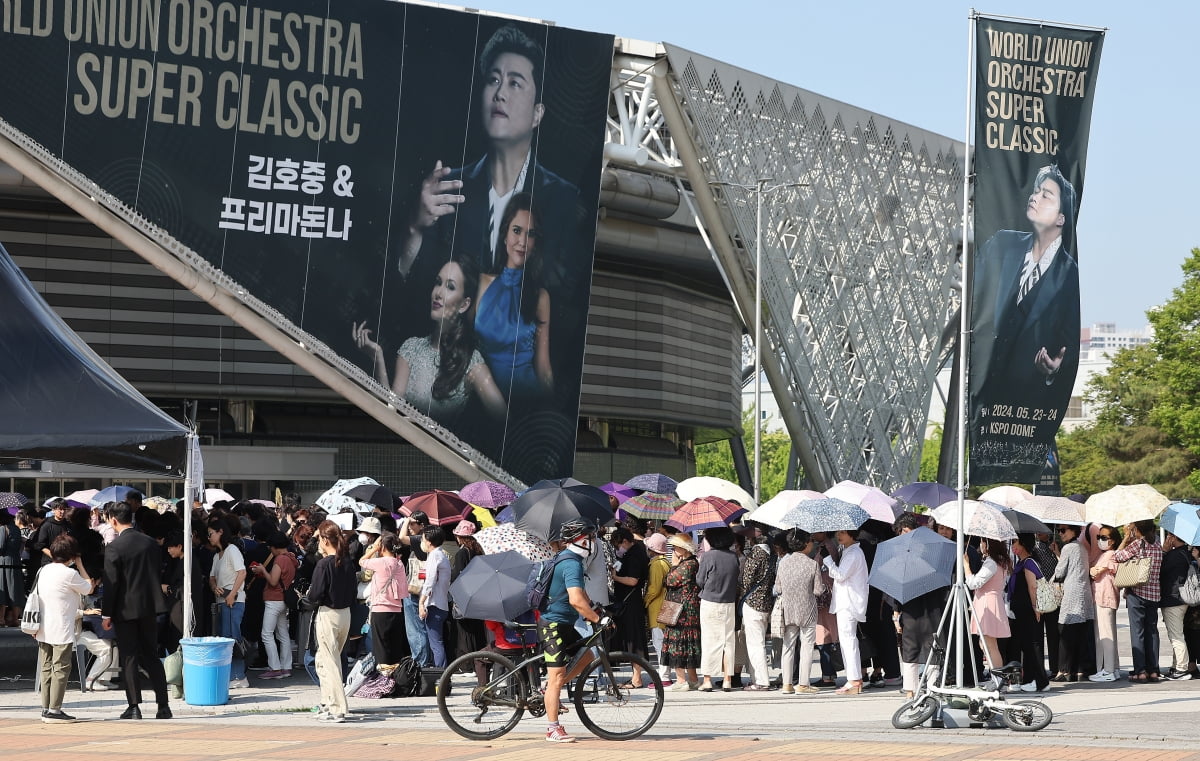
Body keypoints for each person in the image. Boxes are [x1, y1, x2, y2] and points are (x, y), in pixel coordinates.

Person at [397, 24, 581, 315]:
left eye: (515, 83)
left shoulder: (564, 200)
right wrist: (414, 227)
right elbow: (411, 292)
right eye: (493, 80)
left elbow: (566, 305)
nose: (500, 94)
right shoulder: (447, 189)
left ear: (537, 114)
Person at [970, 164, 1081, 482]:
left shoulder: (1068, 273)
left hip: (1022, 406)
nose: (1035, 197)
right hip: (985, 395)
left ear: (1061, 218)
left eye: (1047, 195)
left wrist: (1055, 368)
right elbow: (975, 295)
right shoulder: (1002, 244)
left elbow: (1069, 345)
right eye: (1036, 190)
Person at [354, 254, 506, 427]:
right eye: (438, 282)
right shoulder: (411, 349)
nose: (438, 293)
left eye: (450, 286)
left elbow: (504, 423)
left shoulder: (471, 362)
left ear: (464, 305)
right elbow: (391, 412)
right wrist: (377, 359)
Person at [475, 192, 553, 402]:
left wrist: (550, 415)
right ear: (504, 235)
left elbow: (543, 368)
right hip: (485, 399)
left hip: (527, 400)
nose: (522, 241)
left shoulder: (540, 297)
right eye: (517, 230)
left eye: (531, 234)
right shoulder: (481, 284)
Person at [101, 500, 171, 720]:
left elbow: (111, 583)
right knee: (151, 654)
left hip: (124, 609)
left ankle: (134, 706)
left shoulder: (114, 547)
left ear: (113, 520)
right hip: (149, 606)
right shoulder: (150, 543)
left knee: (129, 656)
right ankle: (163, 705)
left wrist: (106, 613)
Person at [538, 519, 606, 744]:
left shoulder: (570, 559)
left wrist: (595, 609)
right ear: (582, 540)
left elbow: (580, 594)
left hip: (563, 623)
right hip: (553, 625)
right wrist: (597, 619)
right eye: (592, 538)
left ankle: (549, 688)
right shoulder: (571, 563)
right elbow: (576, 600)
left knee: (586, 656)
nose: (594, 543)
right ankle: (552, 729)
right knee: (557, 677)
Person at [35, 534, 93, 723]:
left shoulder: (44, 570)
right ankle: (55, 710)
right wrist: (80, 563)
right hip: (61, 628)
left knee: (46, 667)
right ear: (71, 555)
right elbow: (88, 588)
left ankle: (46, 708)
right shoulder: (70, 574)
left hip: (43, 627)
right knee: (61, 668)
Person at [308, 520, 357, 723]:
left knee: (329, 662)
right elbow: (354, 591)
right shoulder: (347, 561)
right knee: (324, 659)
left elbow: (315, 594)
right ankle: (327, 702)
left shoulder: (324, 564)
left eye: (319, 538)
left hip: (328, 613)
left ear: (325, 539)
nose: (318, 542)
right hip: (345, 613)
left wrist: (307, 596)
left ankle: (338, 708)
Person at [774, 529, 825, 695]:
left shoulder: (783, 563)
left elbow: (778, 587)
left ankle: (787, 684)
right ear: (804, 544)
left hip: (788, 609)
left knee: (788, 646)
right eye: (809, 541)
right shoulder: (812, 564)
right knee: (807, 646)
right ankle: (803, 684)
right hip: (807, 610)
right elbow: (818, 591)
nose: (811, 543)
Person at [1113, 519, 1163, 682]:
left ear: (1138, 530)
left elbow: (1117, 556)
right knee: (1152, 632)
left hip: (1138, 593)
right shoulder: (1157, 544)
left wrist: (1126, 538)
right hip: (1154, 594)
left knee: (1138, 632)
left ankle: (1140, 671)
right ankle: (1154, 670)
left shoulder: (1138, 544)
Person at [822, 529, 868, 694]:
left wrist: (827, 559)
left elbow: (840, 575)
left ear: (852, 534)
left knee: (848, 640)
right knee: (848, 640)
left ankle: (854, 680)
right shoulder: (849, 551)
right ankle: (854, 679)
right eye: (838, 532)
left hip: (849, 603)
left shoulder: (854, 554)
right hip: (847, 601)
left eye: (843, 532)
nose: (838, 535)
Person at [696, 526, 740, 692]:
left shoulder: (708, 556)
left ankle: (707, 680)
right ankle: (727, 679)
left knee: (709, 641)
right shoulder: (733, 557)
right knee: (728, 641)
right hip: (729, 603)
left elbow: (700, 580)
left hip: (710, 602)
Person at [207, 516, 249, 690]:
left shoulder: (232, 550)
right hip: (223, 601)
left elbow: (242, 572)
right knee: (226, 638)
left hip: (233, 601)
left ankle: (240, 676)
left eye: (211, 533)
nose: (209, 537)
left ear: (220, 532)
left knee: (233, 638)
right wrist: (215, 586)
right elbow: (211, 577)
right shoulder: (218, 555)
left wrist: (232, 594)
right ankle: (233, 675)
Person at [252, 531, 298, 680]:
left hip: (274, 599)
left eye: (271, 547)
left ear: (275, 547)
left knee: (266, 634)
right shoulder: (291, 558)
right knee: (283, 634)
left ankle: (275, 667)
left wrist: (263, 570)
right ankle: (286, 667)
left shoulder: (280, 559)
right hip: (284, 600)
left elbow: (272, 581)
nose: (270, 551)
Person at [609, 526, 650, 686]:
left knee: (634, 638)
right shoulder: (631, 553)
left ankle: (637, 678)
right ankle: (635, 676)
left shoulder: (635, 555)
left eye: (618, 544)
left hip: (631, 602)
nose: (617, 548)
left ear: (625, 541)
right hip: (629, 601)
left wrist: (615, 577)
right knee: (630, 638)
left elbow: (633, 580)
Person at [739, 525, 778, 691]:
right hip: (766, 602)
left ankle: (761, 681)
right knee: (759, 642)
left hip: (753, 602)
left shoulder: (755, 554)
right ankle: (757, 678)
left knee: (755, 644)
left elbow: (747, 579)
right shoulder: (772, 553)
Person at [1008, 533, 1049, 692]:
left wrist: (1035, 607)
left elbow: (1033, 587)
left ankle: (1039, 681)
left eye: (1015, 542)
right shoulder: (1022, 562)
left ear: (1024, 543)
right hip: (1020, 610)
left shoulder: (1029, 562)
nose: (1013, 546)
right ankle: (1031, 679)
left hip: (1028, 609)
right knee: (1025, 645)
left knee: (1032, 645)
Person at [965, 537, 1012, 677]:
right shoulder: (1001, 562)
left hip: (987, 603)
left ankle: (997, 679)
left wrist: (966, 566)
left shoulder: (992, 563)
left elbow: (973, 583)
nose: (981, 544)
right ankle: (996, 676)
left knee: (991, 645)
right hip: (993, 601)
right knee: (987, 643)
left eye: (983, 541)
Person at [662, 534, 701, 691]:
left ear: (684, 549)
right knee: (688, 644)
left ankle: (681, 680)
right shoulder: (692, 563)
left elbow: (670, 580)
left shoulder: (687, 565)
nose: (673, 550)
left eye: (676, 547)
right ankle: (693, 679)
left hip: (680, 609)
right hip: (688, 608)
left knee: (677, 642)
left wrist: (673, 565)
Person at [1088, 524, 1121, 681]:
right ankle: (1113, 668)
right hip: (1104, 597)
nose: (1100, 540)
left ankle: (1107, 670)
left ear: (1112, 541)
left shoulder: (1110, 554)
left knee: (1104, 634)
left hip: (1104, 597)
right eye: (1098, 537)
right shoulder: (1106, 554)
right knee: (1108, 633)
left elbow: (1094, 572)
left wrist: (1092, 569)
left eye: (1104, 538)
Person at [1160, 531, 1192, 680]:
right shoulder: (1186, 553)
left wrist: (1164, 552)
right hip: (1182, 599)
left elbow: (1159, 570)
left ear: (1173, 537)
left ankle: (1181, 668)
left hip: (1173, 599)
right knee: (1177, 633)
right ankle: (1176, 666)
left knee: (1176, 635)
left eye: (1169, 536)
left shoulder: (1173, 556)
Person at [418, 526, 452, 668]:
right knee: (436, 642)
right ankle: (441, 674)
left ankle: (440, 676)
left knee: (436, 643)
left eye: (423, 538)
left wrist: (421, 602)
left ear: (429, 541)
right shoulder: (441, 554)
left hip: (434, 605)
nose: (422, 541)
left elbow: (430, 580)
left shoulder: (434, 555)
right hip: (441, 603)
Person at [642, 533, 672, 684]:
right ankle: (665, 675)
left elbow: (654, 589)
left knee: (659, 643)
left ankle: (664, 677)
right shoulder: (665, 562)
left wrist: (644, 601)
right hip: (665, 605)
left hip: (657, 608)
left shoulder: (655, 565)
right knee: (663, 642)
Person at [0, 508, 25, 627]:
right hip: (15, 561)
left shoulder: (2, 528)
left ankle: (1, 619)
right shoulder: (16, 528)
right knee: (15, 590)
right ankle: (15, 619)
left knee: (3, 589)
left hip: (3, 562)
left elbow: (0, 547)